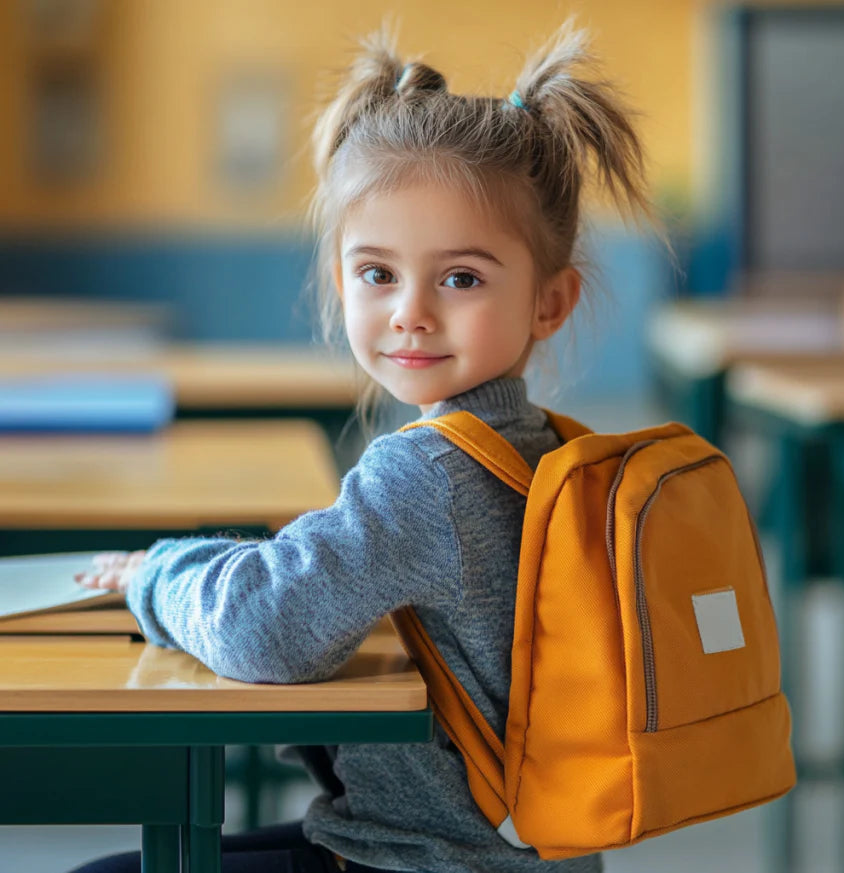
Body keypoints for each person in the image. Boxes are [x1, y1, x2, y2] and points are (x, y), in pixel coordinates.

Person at [71, 18, 663, 873]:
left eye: (459, 278)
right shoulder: (543, 448)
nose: (409, 311)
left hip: (427, 860)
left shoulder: (428, 471)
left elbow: (265, 630)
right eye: (377, 273)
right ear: (339, 277)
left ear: (550, 302)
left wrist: (155, 574)